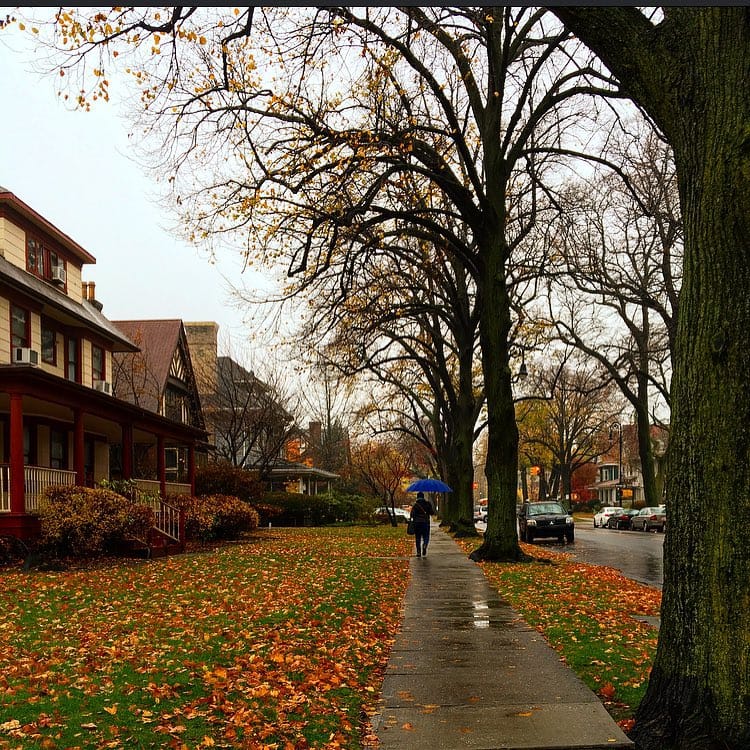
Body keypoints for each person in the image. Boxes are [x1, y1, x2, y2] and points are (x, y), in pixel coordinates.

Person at [410, 491, 435, 557]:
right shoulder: (427, 504)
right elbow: (432, 513)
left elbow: (412, 514)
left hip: (417, 523)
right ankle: (424, 545)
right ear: (423, 497)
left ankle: (418, 552)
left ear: (417, 497)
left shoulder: (415, 505)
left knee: (417, 537)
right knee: (426, 536)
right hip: (425, 523)